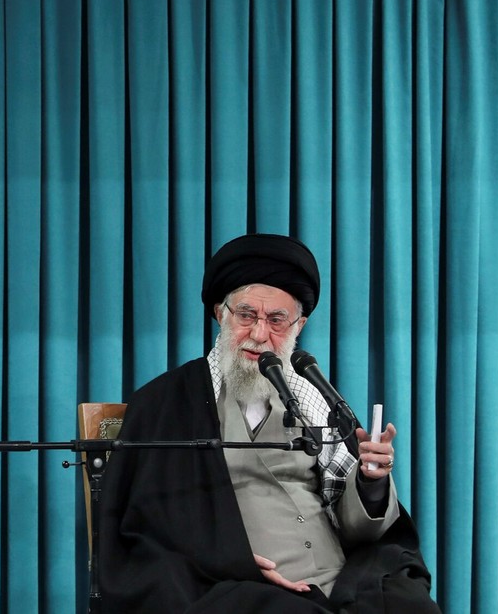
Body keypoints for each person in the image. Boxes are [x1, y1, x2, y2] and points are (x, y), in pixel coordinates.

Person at [98, 233, 440, 613]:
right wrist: (227, 559)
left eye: (277, 320)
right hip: (239, 584)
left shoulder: (313, 397)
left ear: (299, 325)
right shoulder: (165, 402)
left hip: (341, 578)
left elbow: (360, 528)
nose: (260, 335)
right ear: (220, 313)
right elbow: (145, 527)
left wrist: (370, 483)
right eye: (246, 315)